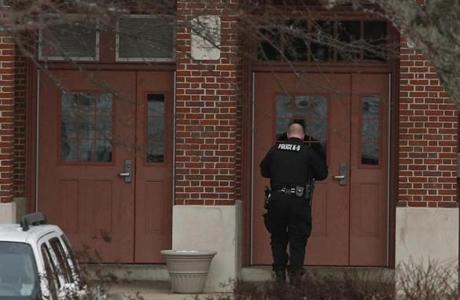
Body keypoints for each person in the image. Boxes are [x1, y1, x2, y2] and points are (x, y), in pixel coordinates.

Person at [260, 121, 328, 283]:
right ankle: (296, 276)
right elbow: (322, 174)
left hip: (277, 200)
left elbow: (264, 170)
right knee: (298, 238)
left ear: (288, 134)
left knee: (277, 237)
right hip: (298, 201)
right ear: (303, 136)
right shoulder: (308, 152)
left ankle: (279, 274)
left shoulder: (275, 149)